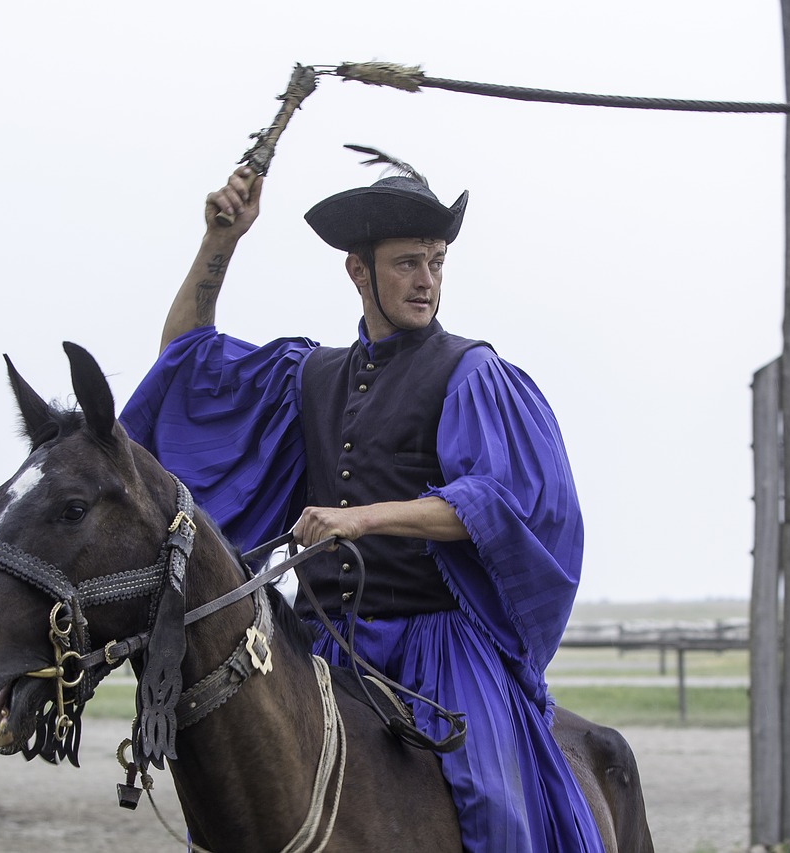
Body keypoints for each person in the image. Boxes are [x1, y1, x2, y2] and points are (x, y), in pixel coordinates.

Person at [120, 161, 604, 851]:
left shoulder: (471, 374)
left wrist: (364, 515)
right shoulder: (309, 376)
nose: (427, 280)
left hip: (437, 648)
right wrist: (220, 241)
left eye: (436, 263)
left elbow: (496, 502)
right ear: (358, 271)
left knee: (497, 812)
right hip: (320, 645)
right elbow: (185, 365)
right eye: (408, 263)